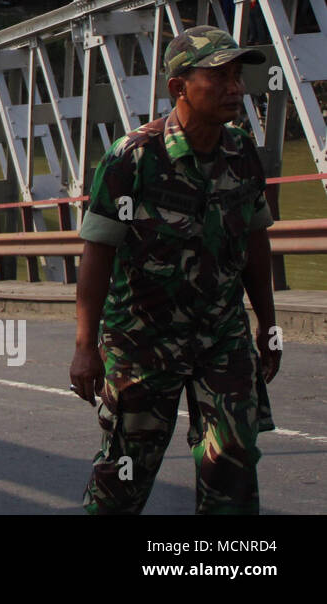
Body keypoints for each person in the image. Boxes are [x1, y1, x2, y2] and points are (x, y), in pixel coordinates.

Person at [69, 26, 280, 515]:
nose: (235, 88)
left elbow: (255, 239)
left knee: (234, 457)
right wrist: (84, 347)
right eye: (219, 77)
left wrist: (267, 326)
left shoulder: (242, 152)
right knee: (127, 470)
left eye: (237, 76)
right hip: (143, 341)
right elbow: (97, 253)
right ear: (178, 88)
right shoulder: (134, 158)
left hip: (221, 338)